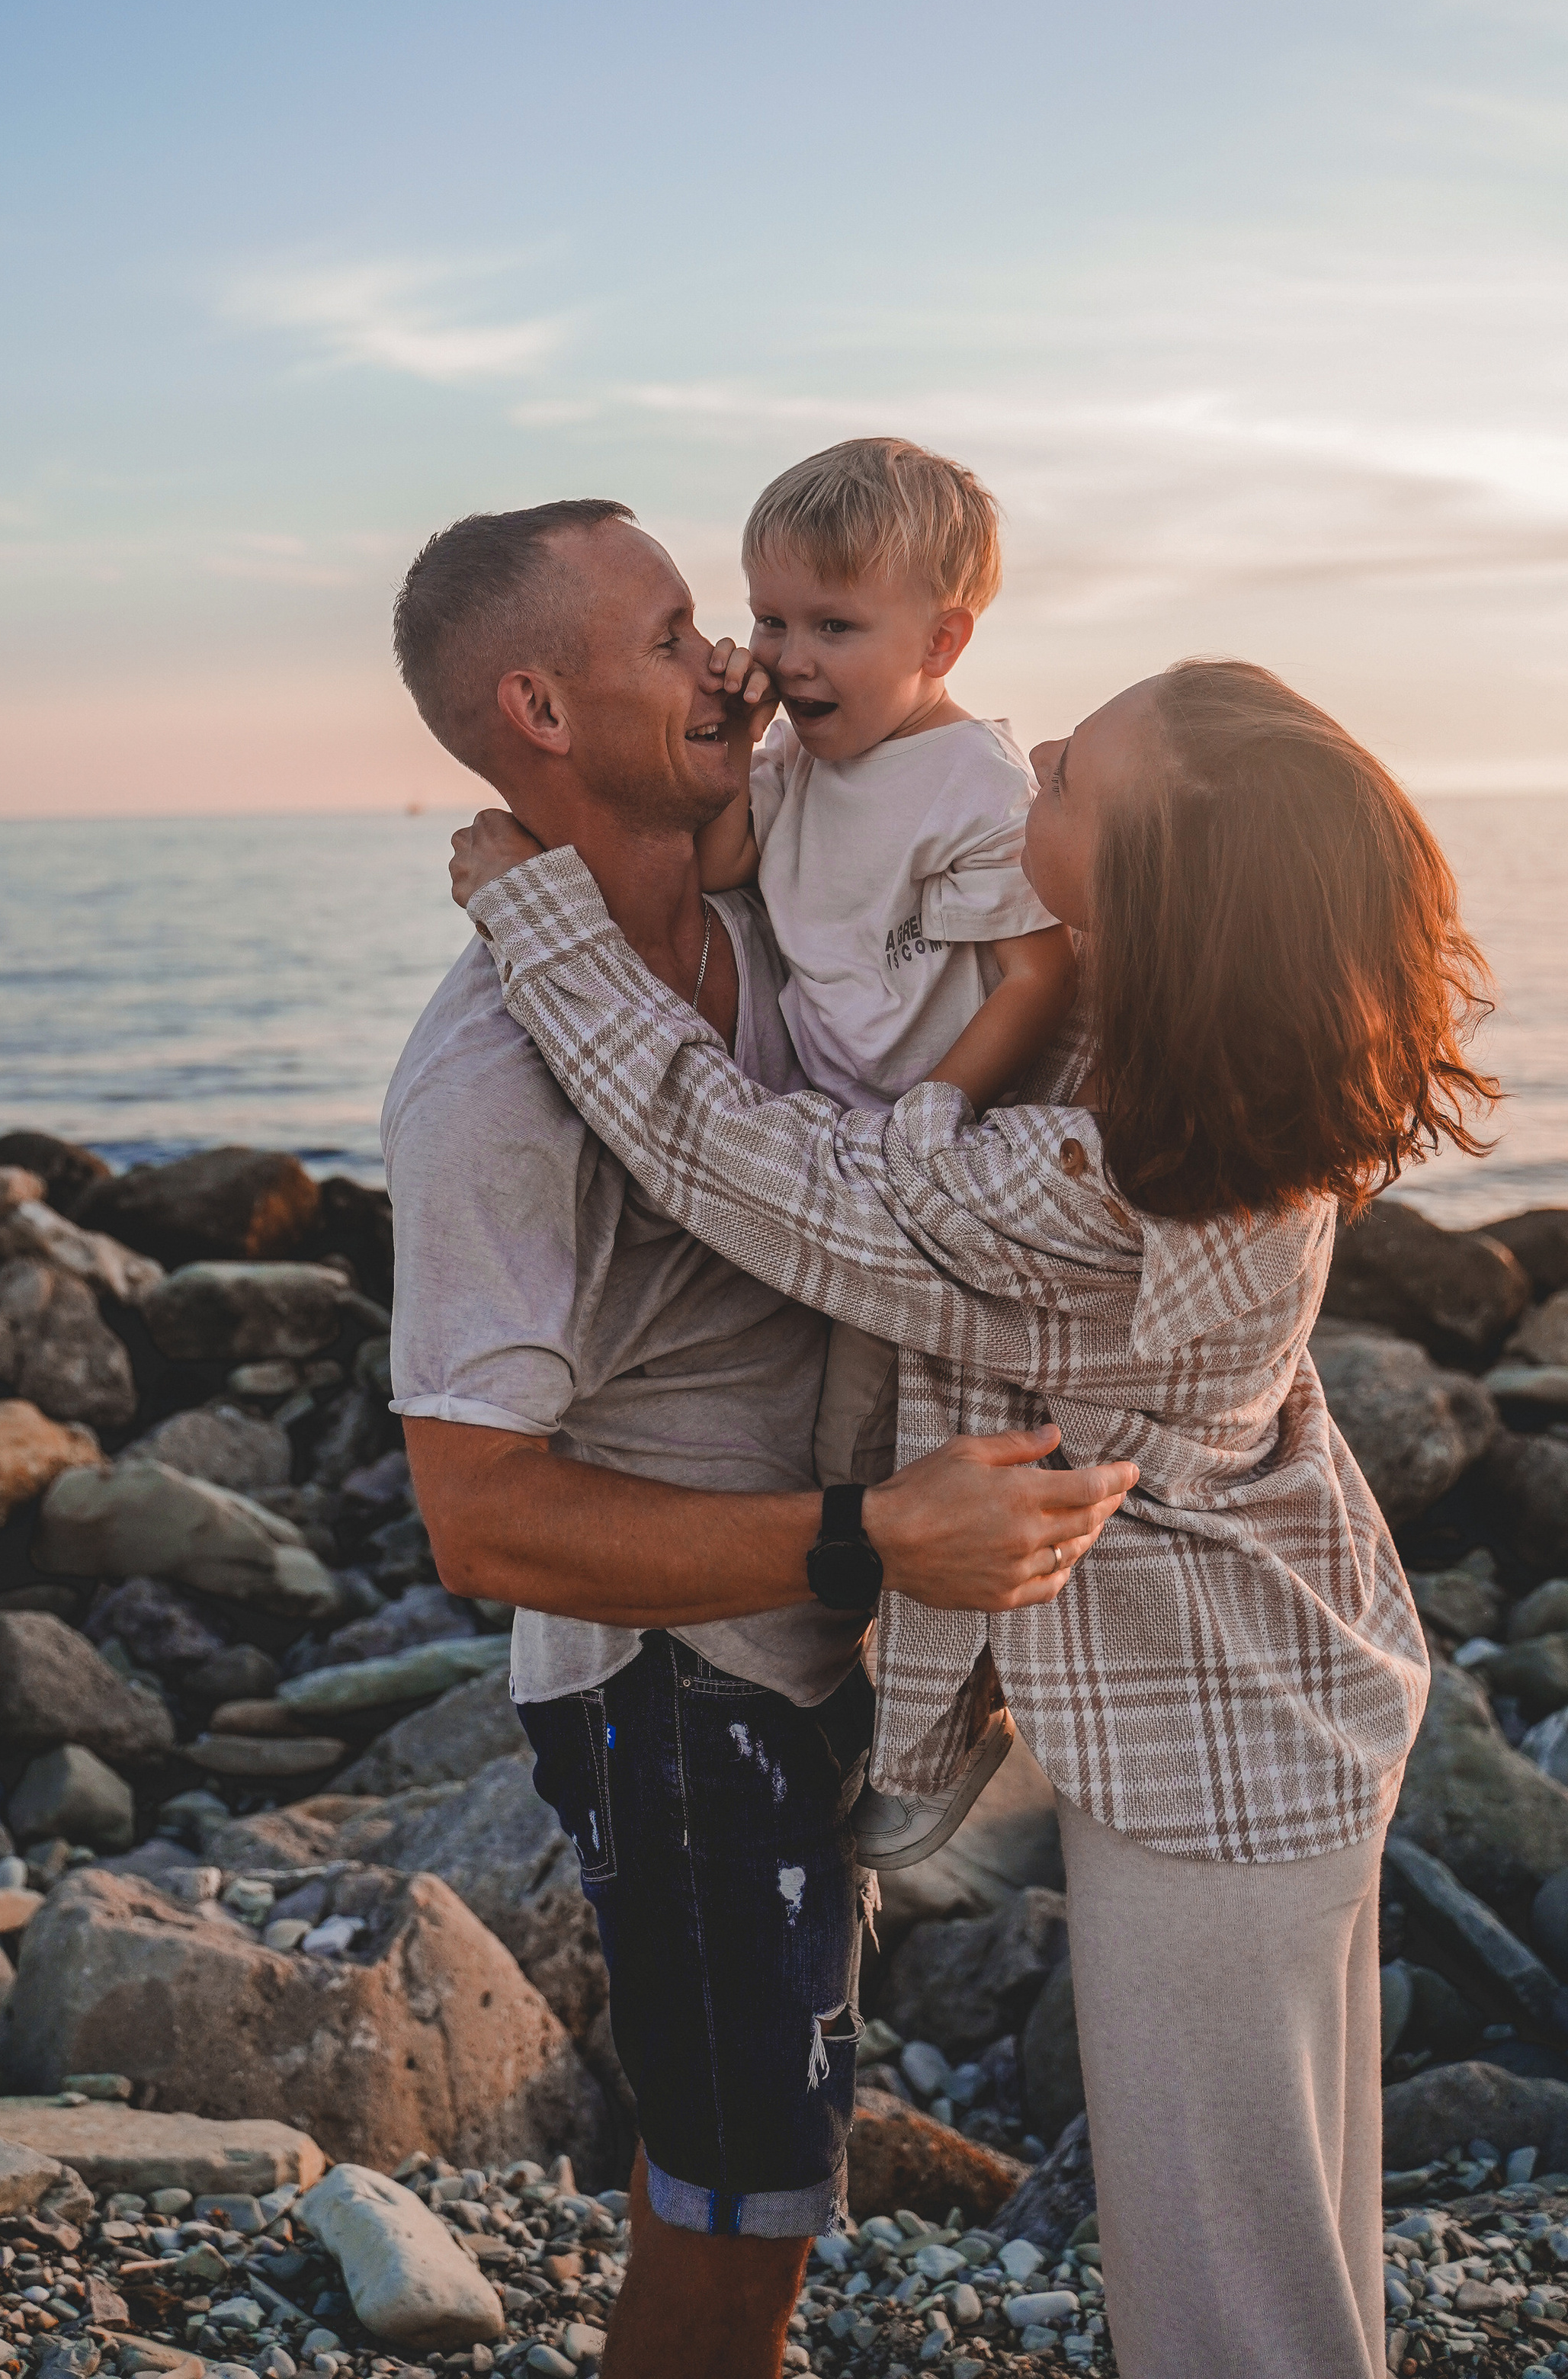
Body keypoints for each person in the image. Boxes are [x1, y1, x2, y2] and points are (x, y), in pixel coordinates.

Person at [453, 657, 1496, 2379]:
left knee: (1222, 2276)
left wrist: (542, 920)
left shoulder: (1110, 1178)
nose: (1040, 761)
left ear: (1158, 881)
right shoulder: (1190, 1044)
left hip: (1211, 1748)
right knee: (1291, 2216)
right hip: (1292, 1683)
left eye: (1078, 779)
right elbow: (881, 884)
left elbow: (739, 1166)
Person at [383, 497, 1137, 2379]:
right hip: (670, 1694)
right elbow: (475, 1522)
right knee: (740, 2197)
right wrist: (867, 1540)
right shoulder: (490, 1080)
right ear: (540, 710)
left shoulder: (769, 918)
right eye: (670, 638)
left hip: (817, 1642)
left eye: (719, 622)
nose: (730, 660)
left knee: (765, 2174)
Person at [693, 434, 1076, 1870]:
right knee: (833, 1443)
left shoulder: (970, 782)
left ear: (945, 636)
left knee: (906, 1450)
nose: (790, 656)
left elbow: (1040, 977)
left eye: (835, 628)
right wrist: (731, 748)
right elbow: (731, 865)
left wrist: (937, 1121)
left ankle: (943, 1725)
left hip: (933, 1168)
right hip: (832, 1151)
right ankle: (858, 1695)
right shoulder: (797, 755)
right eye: (772, 619)